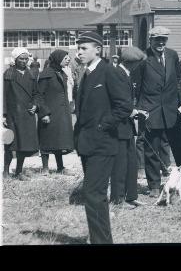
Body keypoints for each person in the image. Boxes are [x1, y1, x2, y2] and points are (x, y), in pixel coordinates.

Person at [73, 31, 133, 244]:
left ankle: (101, 241)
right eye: (78, 48)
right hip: (87, 143)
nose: (78, 52)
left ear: (98, 49)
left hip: (103, 142)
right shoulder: (86, 72)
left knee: (93, 193)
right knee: (93, 194)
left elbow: (124, 106)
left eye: (84, 48)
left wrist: (103, 125)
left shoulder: (109, 71)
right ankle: (97, 238)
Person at [131, 26, 181, 196]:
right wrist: (138, 108)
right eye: (157, 39)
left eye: (163, 39)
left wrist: (180, 104)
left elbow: (176, 81)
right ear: (150, 40)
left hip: (171, 111)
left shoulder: (172, 55)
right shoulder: (143, 58)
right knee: (152, 149)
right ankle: (153, 186)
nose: (160, 42)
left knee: (180, 148)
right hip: (150, 110)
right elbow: (136, 87)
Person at [110, 47, 147, 209]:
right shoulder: (117, 74)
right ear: (132, 63)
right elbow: (119, 100)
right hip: (119, 125)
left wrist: (135, 111)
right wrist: (133, 111)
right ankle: (118, 199)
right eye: (138, 63)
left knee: (131, 162)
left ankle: (131, 196)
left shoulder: (126, 74)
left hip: (127, 124)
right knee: (120, 164)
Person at [3, 47, 42, 179]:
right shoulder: (8, 74)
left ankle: (19, 171)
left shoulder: (31, 74)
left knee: (24, 144)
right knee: (10, 143)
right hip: (13, 114)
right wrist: (3, 115)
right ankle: (6, 171)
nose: (24, 61)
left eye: (26, 59)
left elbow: (36, 93)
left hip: (27, 114)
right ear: (15, 59)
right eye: (21, 59)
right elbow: (3, 96)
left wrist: (35, 105)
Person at [37, 50, 75, 175]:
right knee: (47, 139)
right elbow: (39, 95)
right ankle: (45, 168)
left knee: (59, 140)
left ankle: (60, 167)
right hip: (49, 113)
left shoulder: (61, 72)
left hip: (61, 113)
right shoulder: (46, 74)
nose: (68, 60)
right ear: (58, 59)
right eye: (65, 58)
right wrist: (44, 113)